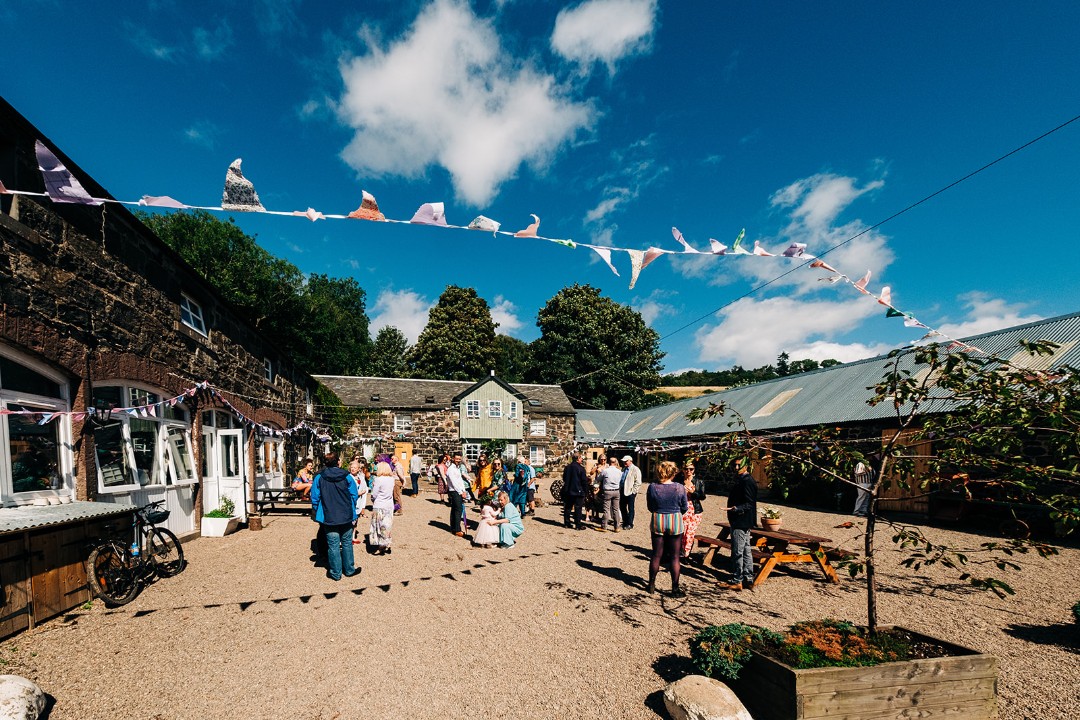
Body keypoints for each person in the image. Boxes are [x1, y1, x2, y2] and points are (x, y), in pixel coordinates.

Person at [310, 452, 359, 581]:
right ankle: (349, 570)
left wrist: (318, 509)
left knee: (333, 545)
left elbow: (315, 498)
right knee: (347, 543)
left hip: (328, 515)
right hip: (346, 514)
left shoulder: (319, 478)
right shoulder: (347, 476)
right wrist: (351, 507)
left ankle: (335, 573)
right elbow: (354, 494)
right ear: (338, 462)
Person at [646, 460, 688, 597]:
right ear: (673, 473)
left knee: (656, 554)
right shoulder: (679, 487)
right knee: (675, 556)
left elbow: (650, 507)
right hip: (675, 518)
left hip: (658, 518)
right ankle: (675, 588)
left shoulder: (652, 487)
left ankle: (651, 584)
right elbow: (684, 507)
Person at [722, 459, 758, 591]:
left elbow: (749, 503)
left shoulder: (747, 481)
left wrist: (735, 508)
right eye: (735, 465)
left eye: (739, 465)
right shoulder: (743, 479)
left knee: (737, 550)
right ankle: (748, 578)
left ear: (746, 466)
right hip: (742, 520)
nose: (736, 467)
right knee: (746, 549)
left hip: (741, 520)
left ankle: (737, 579)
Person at [368, 461, 396, 555]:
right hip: (389, 505)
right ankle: (387, 541)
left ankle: (380, 544)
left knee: (377, 526)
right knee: (387, 525)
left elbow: (374, 494)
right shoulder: (392, 479)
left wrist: (373, 499)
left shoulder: (378, 479)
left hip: (379, 504)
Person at [681, 461, 706, 558]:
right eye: (686, 469)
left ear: (694, 470)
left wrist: (693, 492)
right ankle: (681, 553)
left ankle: (686, 555)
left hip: (695, 510)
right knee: (682, 533)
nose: (688, 471)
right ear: (683, 470)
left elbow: (703, 497)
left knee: (689, 534)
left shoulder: (699, 482)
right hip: (682, 510)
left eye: (691, 469)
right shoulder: (679, 481)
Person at [561, 452, 588, 529]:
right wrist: (585, 491)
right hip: (578, 491)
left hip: (568, 490)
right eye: (581, 458)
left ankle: (567, 523)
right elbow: (584, 481)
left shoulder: (567, 467)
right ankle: (578, 524)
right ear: (578, 459)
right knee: (578, 508)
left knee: (568, 507)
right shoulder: (581, 468)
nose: (582, 459)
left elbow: (564, 478)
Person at [597, 456, 623, 532]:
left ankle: (604, 526)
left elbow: (598, 479)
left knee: (606, 509)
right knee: (616, 509)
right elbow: (621, 481)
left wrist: (599, 472)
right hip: (616, 490)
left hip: (607, 490)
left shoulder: (605, 471)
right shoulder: (619, 471)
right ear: (615, 463)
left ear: (609, 462)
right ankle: (616, 527)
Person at [446, 452, 469, 537]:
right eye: (456, 459)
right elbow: (454, 483)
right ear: (453, 458)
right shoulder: (451, 469)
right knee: (458, 510)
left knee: (455, 509)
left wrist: (464, 491)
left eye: (459, 459)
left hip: (459, 490)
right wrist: (460, 492)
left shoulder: (457, 468)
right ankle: (457, 529)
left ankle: (453, 527)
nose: (458, 460)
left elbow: (460, 481)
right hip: (454, 491)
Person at [348, 459, 370, 544]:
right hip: (351, 501)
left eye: (355, 467)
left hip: (359, 501)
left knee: (356, 520)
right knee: (350, 520)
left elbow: (364, 487)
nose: (353, 469)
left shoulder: (361, 477)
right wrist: (358, 493)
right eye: (351, 467)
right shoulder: (349, 477)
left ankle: (353, 537)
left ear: (358, 469)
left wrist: (364, 491)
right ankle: (348, 537)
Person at [620, 455, 642, 529]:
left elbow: (638, 482)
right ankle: (625, 521)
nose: (624, 462)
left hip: (630, 491)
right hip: (622, 490)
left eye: (626, 461)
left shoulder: (635, 469)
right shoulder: (623, 469)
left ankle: (630, 523)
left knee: (630, 508)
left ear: (630, 461)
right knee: (622, 507)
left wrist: (634, 491)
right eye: (624, 461)